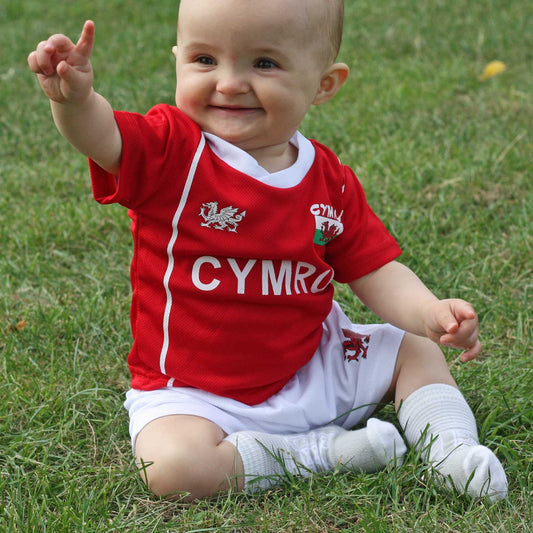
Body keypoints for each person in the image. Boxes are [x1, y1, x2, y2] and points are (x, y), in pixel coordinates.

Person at [28, 0, 508, 502]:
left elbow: (374, 270)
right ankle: (325, 453)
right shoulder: (173, 150)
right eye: (205, 60)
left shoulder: (329, 180)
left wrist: (429, 312)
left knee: (416, 350)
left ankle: (451, 452)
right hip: (198, 394)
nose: (230, 82)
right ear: (177, 59)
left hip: (315, 364)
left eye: (264, 63)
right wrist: (74, 102)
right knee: (171, 469)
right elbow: (103, 138)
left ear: (324, 84)